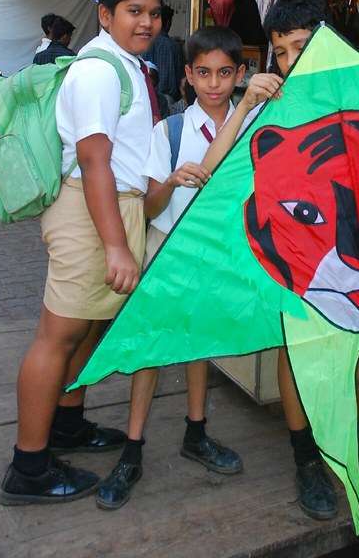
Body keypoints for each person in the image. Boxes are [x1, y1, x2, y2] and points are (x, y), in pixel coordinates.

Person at [203, 0, 359, 521]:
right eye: (281, 52)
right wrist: (243, 104)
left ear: (329, 44)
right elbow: (210, 170)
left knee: (358, 362)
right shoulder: (270, 105)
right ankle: (306, 461)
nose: (290, 61)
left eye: (301, 47)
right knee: (297, 360)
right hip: (297, 264)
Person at [0, 0, 164, 505]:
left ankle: (68, 425)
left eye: (155, 13)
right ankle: (28, 467)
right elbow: (95, 162)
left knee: (90, 327)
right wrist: (116, 243)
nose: (147, 22)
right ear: (106, 14)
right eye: (134, 11)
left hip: (115, 209)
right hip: (93, 214)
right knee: (58, 335)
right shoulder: (97, 70)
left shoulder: (129, 66)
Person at [96, 26, 259, 510]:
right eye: (203, 72)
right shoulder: (167, 131)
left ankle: (196, 432)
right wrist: (169, 181)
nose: (214, 83)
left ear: (241, 74)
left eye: (225, 73)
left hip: (218, 249)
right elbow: (148, 208)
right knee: (150, 343)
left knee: (199, 342)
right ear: (187, 74)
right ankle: (132, 448)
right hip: (165, 246)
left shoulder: (252, 123)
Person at [142, 4, 185, 106]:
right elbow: (180, 76)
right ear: (168, 23)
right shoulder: (175, 47)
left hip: (145, 96)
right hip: (168, 99)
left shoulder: (142, 43)